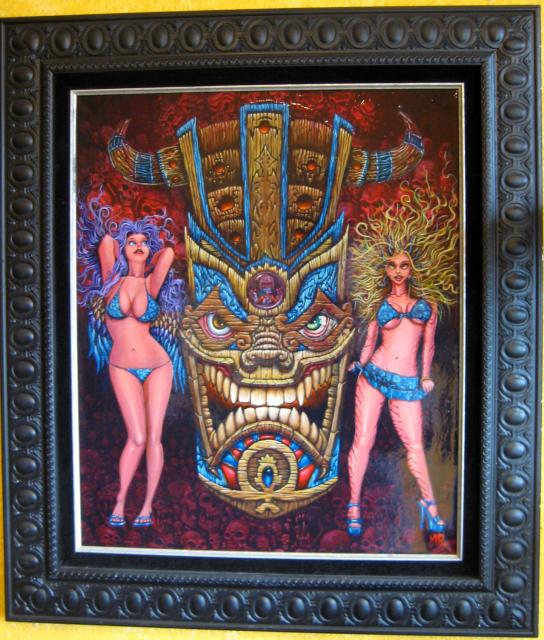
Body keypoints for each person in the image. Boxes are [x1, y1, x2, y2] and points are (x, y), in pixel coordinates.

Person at [347, 194, 458, 539]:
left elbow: (429, 346)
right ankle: (353, 505)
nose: (397, 270)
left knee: (414, 447)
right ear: (384, 269)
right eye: (392, 265)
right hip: (374, 375)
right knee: (363, 439)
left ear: (413, 269)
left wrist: (425, 376)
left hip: (408, 382)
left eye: (404, 265)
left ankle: (430, 506)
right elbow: (370, 341)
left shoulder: (427, 305)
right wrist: (360, 364)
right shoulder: (379, 303)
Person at [78, 196, 184, 528]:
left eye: (143, 242)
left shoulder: (152, 283)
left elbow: (168, 253)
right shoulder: (111, 280)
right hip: (121, 366)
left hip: (158, 365)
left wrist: (150, 244)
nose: (138, 246)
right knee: (136, 437)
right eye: (132, 242)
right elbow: (106, 243)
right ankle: (121, 501)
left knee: (154, 438)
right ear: (123, 249)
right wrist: (123, 234)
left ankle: (147, 506)